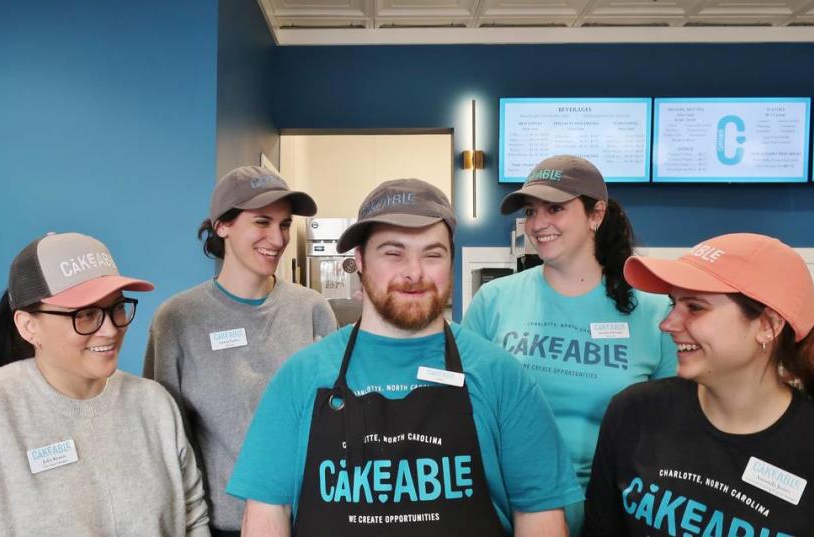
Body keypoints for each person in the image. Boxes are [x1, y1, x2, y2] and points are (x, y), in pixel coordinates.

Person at [227, 179, 583, 537]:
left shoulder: (502, 376)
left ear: (450, 262)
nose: (414, 272)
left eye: (432, 254)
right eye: (393, 253)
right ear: (360, 261)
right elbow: (265, 518)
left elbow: (540, 519)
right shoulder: (300, 378)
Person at [0, 232, 210, 536]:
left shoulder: (154, 405)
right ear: (28, 327)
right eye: (84, 314)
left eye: (117, 308)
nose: (110, 329)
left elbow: (192, 517)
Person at [462, 154, 676, 535]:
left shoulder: (655, 312)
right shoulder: (493, 301)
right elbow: (463, 410)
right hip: (509, 508)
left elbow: (673, 428)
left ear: (596, 214)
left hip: (615, 509)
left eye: (555, 208)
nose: (538, 224)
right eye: (531, 211)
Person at [583, 233, 814, 536]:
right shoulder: (633, 413)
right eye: (673, 303)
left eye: (695, 307)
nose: (667, 324)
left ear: (767, 325)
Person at [144, 166, 337, 536]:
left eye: (284, 225)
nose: (277, 238)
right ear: (222, 225)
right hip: (222, 526)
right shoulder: (178, 319)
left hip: (313, 518)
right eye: (262, 222)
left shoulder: (313, 310)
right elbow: (166, 441)